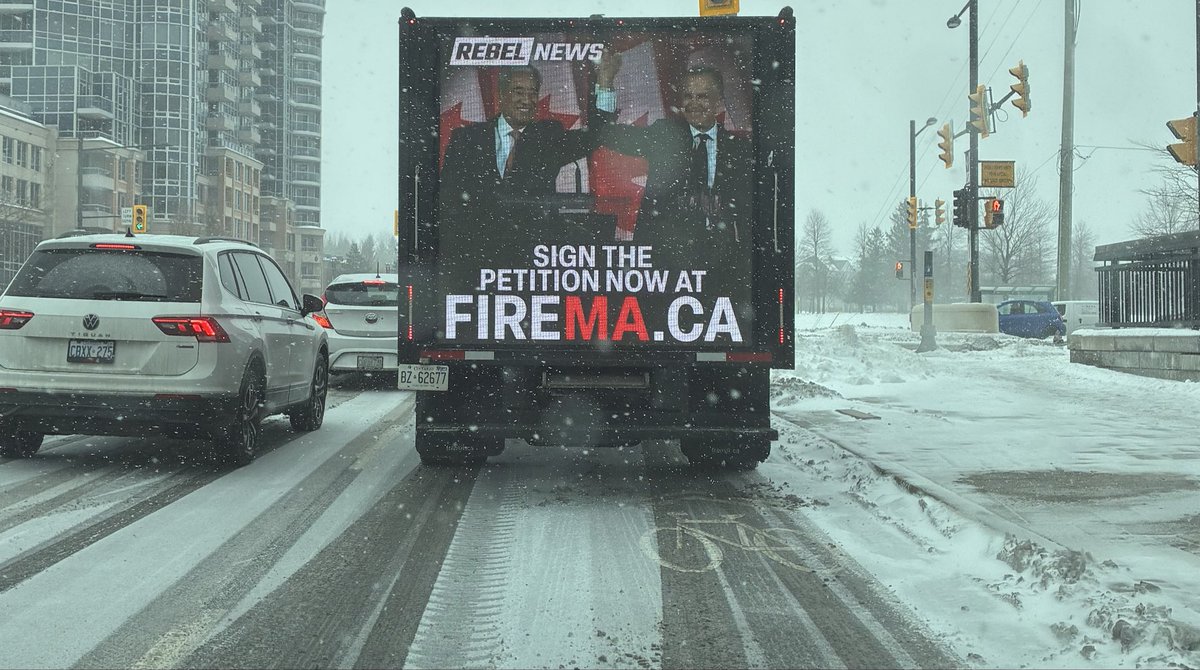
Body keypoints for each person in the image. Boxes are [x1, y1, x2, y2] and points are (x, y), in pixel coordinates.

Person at [590, 61, 754, 266]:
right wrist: (605, 83)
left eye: (702, 96)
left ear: (719, 103)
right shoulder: (665, 135)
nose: (694, 103)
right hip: (664, 261)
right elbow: (606, 134)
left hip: (719, 262)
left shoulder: (738, 150)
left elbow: (747, 215)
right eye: (688, 96)